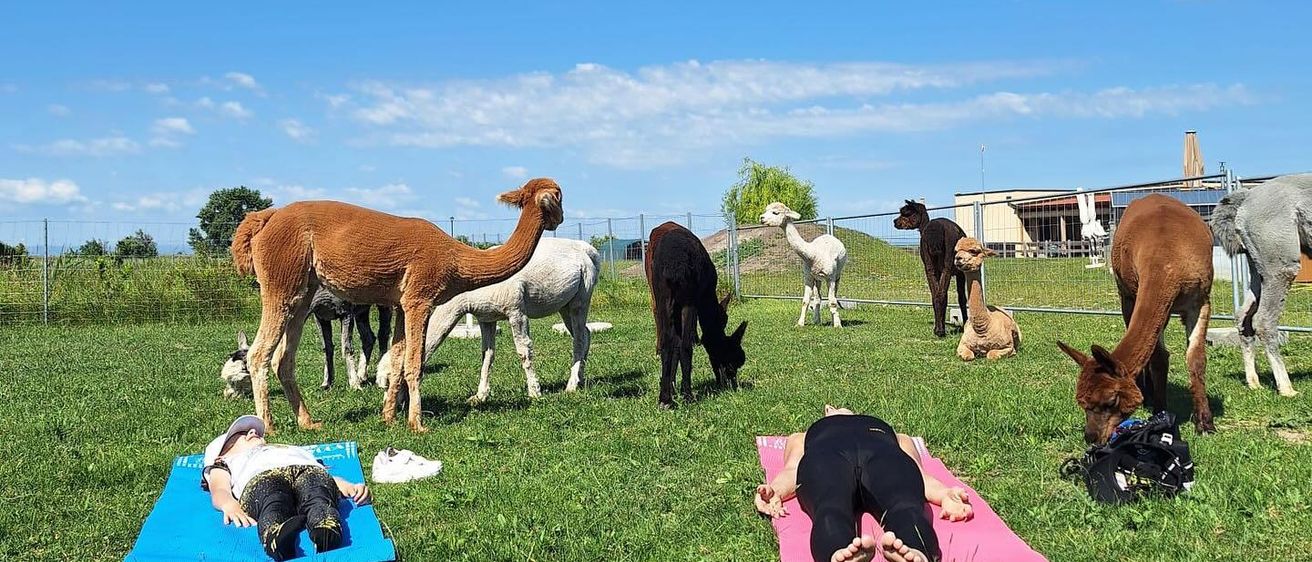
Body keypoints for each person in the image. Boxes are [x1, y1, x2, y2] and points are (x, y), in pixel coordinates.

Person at [754, 406, 973, 562]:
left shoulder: (898, 436)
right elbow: (793, 468)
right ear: (826, 412)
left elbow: (918, 473)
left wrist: (945, 494)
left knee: (905, 506)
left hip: (883, 455)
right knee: (830, 508)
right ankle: (840, 553)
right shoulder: (800, 436)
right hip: (827, 458)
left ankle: (916, 553)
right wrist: (776, 490)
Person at [201, 415, 371, 561]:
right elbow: (219, 489)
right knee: (272, 501)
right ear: (221, 455)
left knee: (318, 493)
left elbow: (324, 475)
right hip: (262, 479)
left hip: (307, 471)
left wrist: (347, 486)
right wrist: (228, 504)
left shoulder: (291, 451)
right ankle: (275, 535)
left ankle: (325, 526)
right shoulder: (225, 463)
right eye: (240, 435)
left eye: (253, 431)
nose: (252, 432)